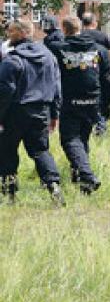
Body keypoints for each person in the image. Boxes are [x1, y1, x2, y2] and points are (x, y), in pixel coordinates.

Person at [0, 19, 64, 205]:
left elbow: (4, 91)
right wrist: (54, 115)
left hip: (15, 112)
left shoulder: (12, 60)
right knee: (40, 151)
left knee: (6, 151)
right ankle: (54, 187)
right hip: (41, 111)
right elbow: (56, 88)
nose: (8, 35)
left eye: (11, 32)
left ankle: (9, 193)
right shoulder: (49, 57)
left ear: (21, 33)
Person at [49, 16, 110, 194]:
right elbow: (107, 79)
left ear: (64, 29)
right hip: (93, 100)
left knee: (69, 139)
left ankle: (87, 175)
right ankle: (80, 181)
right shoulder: (100, 50)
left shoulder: (58, 49)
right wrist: (105, 106)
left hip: (69, 100)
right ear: (81, 28)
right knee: (82, 139)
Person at [80, 12, 110, 133]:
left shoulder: (78, 35)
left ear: (82, 23)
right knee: (103, 99)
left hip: (84, 72)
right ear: (95, 23)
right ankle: (101, 122)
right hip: (102, 72)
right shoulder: (103, 36)